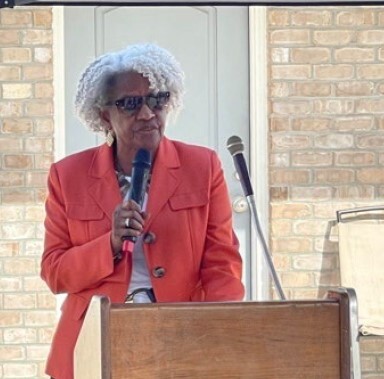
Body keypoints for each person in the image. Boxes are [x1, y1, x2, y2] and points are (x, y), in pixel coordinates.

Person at [40, 43, 244, 379]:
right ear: (105, 114)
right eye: (131, 104)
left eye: (157, 99)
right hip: (93, 340)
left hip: (182, 336)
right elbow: (55, 272)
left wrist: (221, 334)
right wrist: (109, 243)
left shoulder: (202, 166)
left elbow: (222, 264)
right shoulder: (67, 176)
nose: (148, 113)